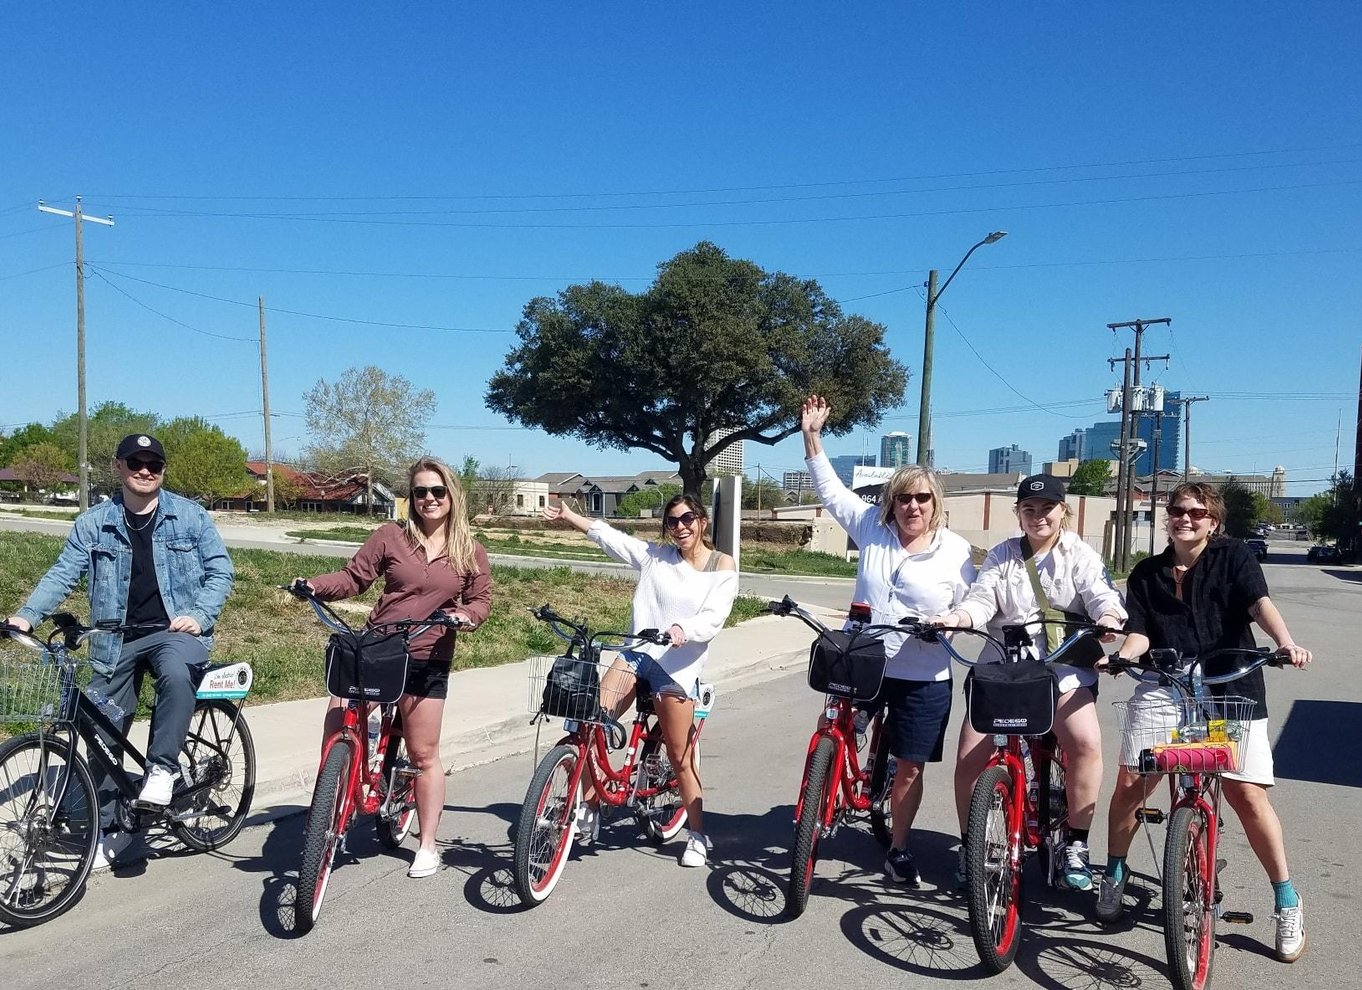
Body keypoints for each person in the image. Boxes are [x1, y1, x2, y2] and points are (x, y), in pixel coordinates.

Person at [1096, 482, 1311, 963]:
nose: (1185, 518)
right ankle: (1114, 872)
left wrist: (1285, 643)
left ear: (1213, 522)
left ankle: (1286, 897)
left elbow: (1259, 603)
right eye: (1177, 511)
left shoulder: (1233, 556)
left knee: (1245, 793)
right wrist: (1121, 658)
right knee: (1133, 781)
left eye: (1197, 512)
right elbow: (1138, 633)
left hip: (1229, 686)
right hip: (1167, 683)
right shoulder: (1147, 572)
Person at [6, 433, 234, 871]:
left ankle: (162, 771)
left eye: (154, 464)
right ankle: (110, 827)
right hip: (115, 638)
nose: (144, 470)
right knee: (101, 727)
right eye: (135, 462)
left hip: (175, 629)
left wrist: (200, 615)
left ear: (163, 470)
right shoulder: (94, 523)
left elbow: (220, 572)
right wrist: (27, 615)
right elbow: (62, 573)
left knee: (174, 671)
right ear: (119, 466)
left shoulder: (190, 516)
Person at [800, 394, 975, 887]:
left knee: (910, 768)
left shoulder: (955, 551)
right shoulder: (871, 528)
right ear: (890, 502)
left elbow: (974, 605)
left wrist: (950, 621)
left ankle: (898, 849)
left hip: (923, 673)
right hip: (864, 661)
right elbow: (831, 490)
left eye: (922, 498)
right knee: (831, 727)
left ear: (935, 504)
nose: (912, 506)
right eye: (904, 498)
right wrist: (812, 437)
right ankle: (822, 791)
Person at [294, 458, 491, 879]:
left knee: (423, 754)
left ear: (451, 495)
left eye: (437, 491)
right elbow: (353, 577)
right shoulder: (391, 537)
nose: (429, 499)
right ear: (411, 498)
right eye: (420, 492)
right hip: (379, 647)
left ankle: (427, 845)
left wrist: (466, 617)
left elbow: (481, 600)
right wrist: (314, 585)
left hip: (427, 654)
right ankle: (335, 791)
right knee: (339, 719)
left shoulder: (469, 550)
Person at [932, 474, 1126, 890]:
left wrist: (1109, 618)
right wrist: (957, 619)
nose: (1038, 516)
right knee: (969, 755)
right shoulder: (1003, 556)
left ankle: (1076, 842)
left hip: (1062, 669)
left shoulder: (1081, 555)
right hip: (1007, 668)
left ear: (1063, 512)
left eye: (1047, 509)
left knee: (1085, 743)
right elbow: (981, 600)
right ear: (1019, 514)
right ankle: (972, 845)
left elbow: (1101, 594)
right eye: (1029, 509)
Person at [543, 493, 737, 867]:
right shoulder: (655, 557)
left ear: (702, 521)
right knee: (584, 720)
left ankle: (697, 834)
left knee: (680, 757)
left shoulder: (720, 564)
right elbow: (611, 537)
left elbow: (715, 615)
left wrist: (685, 628)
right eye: (672, 521)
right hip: (637, 654)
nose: (680, 527)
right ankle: (590, 804)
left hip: (677, 665)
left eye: (687, 519)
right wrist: (569, 516)